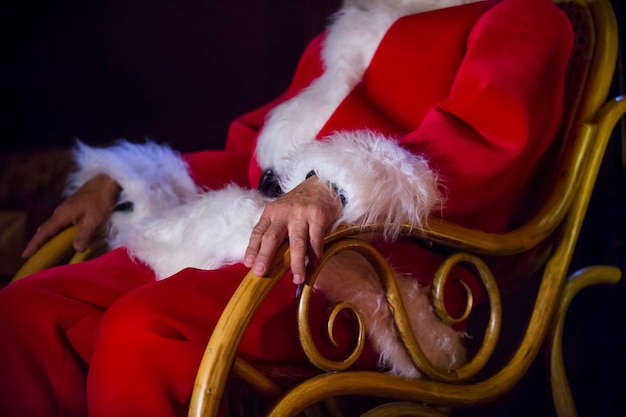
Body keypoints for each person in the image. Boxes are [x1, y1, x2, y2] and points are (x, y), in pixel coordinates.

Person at [0, 0, 573, 416]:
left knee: (141, 330)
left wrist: (335, 185)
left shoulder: (521, 15)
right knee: (25, 311)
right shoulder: (356, 25)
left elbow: (476, 149)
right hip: (266, 232)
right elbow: (256, 160)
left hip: (379, 273)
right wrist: (122, 178)